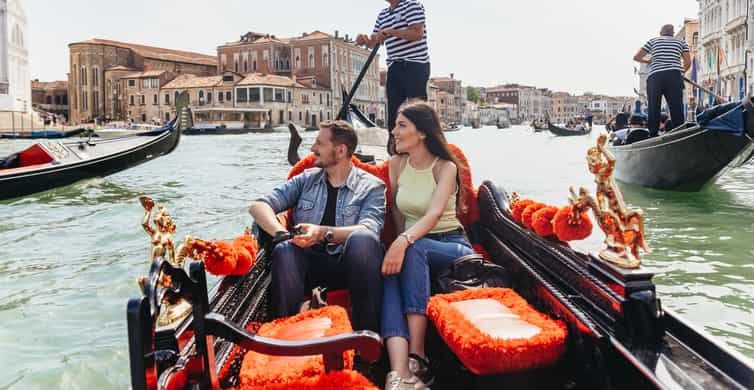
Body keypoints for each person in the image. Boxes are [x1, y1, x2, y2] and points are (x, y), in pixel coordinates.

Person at [248, 120, 386, 333]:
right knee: (284, 249)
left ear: (340, 151)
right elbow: (258, 206)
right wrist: (282, 234)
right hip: (308, 263)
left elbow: (370, 229)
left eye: (319, 143)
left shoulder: (372, 186)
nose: (312, 149)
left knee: (363, 241)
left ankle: (367, 335)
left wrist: (321, 233)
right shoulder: (306, 179)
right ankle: (284, 335)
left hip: (348, 265)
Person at [380, 100, 475, 389]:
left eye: (401, 125)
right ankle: (400, 372)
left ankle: (418, 355)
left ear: (421, 133)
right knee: (388, 273)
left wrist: (402, 242)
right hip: (412, 246)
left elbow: (434, 214)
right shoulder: (396, 165)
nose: (394, 131)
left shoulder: (444, 167)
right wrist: (397, 248)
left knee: (414, 249)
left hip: (452, 244)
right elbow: (397, 213)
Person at [357, 0, 431, 155]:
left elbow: (417, 33)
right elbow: (376, 40)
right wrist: (365, 40)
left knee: (417, 112)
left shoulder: (412, 5)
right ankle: (395, 153)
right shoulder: (383, 14)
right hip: (395, 67)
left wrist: (391, 31)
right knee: (393, 113)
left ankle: (426, 151)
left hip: (415, 65)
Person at [633, 24, 691, 137]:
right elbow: (688, 62)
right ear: (673, 33)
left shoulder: (653, 41)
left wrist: (649, 61)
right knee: (676, 107)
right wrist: (680, 72)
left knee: (654, 106)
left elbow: (637, 57)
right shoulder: (681, 42)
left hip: (655, 77)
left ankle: (653, 133)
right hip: (674, 76)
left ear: (660, 33)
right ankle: (679, 132)